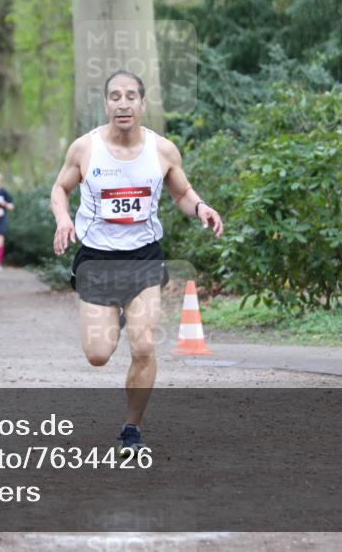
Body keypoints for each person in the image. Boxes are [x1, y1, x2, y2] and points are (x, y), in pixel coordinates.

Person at [50, 69, 223, 455]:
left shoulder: (162, 150)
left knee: (144, 346)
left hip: (144, 258)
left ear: (143, 104)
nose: (123, 103)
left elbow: (182, 192)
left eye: (131, 96)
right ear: (106, 104)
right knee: (97, 355)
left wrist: (200, 208)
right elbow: (61, 188)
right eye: (115, 96)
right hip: (96, 260)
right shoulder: (84, 148)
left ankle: (132, 428)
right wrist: (63, 218)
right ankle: (117, 313)